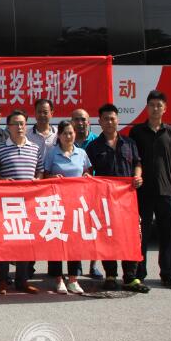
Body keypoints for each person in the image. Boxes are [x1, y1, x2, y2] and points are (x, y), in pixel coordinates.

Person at [85, 103, 148, 293]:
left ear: (117, 120)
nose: (109, 122)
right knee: (108, 236)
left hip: (127, 199)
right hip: (104, 200)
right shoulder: (94, 146)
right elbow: (88, 170)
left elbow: (137, 163)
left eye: (112, 118)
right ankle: (110, 275)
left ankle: (130, 277)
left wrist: (138, 176)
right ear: (99, 122)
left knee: (129, 237)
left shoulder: (129, 143)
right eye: (105, 119)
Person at [129, 90, 171, 289]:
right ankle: (139, 273)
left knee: (167, 235)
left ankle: (167, 274)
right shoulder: (137, 132)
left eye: (159, 105)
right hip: (143, 192)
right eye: (152, 105)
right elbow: (134, 161)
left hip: (166, 191)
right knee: (141, 235)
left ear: (165, 108)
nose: (155, 108)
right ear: (147, 107)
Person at [0, 110, 43, 295]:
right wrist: (2, 180)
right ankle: (2, 280)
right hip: (5, 203)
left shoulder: (35, 148)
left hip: (28, 203)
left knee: (25, 243)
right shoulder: (0, 148)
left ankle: (22, 281)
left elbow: (40, 170)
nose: (20, 127)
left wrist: (38, 180)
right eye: (15, 124)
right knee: (3, 243)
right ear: (9, 127)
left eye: (22, 123)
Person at [43, 120, 92, 295]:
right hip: (57, 203)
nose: (68, 136)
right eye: (65, 133)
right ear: (59, 136)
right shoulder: (52, 153)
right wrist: (52, 177)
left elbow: (88, 172)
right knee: (57, 242)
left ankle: (73, 279)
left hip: (76, 204)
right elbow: (44, 175)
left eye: (71, 133)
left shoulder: (82, 153)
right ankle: (58, 279)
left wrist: (86, 176)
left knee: (74, 243)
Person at [72, 107, 101, 278]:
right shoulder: (67, 140)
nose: (80, 123)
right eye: (76, 119)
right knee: (75, 229)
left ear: (89, 122)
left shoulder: (96, 141)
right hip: (73, 193)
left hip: (94, 191)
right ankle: (76, 265)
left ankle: (93, 265)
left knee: (94, 229)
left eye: (83, 119)